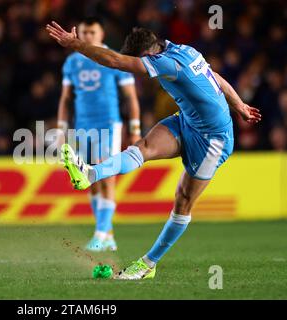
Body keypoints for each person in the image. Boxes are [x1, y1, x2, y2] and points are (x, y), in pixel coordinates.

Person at [46, 22, 261, 279]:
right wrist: (240, 105)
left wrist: (76, 44)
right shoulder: (185, 50)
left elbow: (116, 62)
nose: (142, 76)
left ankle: (148, 264)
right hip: (187, 122)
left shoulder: (165, 63)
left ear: (147, 56)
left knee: (183, 201)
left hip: (213, 140)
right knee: (144, 147)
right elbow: (214, 77)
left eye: (141, 67)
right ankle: (90, 174)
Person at [57, 17, 141, 252]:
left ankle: (100, 233)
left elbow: (131, 97)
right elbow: (65, 98)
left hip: (108, 124)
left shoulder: (114, 59)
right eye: (84, 32)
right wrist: (62, 129)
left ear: (101, 34)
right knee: (89, 180)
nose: (88, 37)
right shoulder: (72, 62)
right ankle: (108, 235)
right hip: (82, 125)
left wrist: (134, 128)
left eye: (92, 32)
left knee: (106, 176)